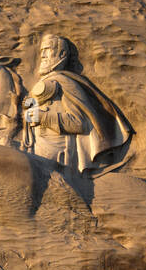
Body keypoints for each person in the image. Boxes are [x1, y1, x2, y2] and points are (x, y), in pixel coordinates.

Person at [26, 34, 132, 174]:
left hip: (57, 155)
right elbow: (32, 114)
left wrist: (44, 117)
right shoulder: (44, 83)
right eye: (41, 51)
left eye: (48, 49)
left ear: (62, 54)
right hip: (36, 147)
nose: (43, 55)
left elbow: (79, 123)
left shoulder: (66, 82)